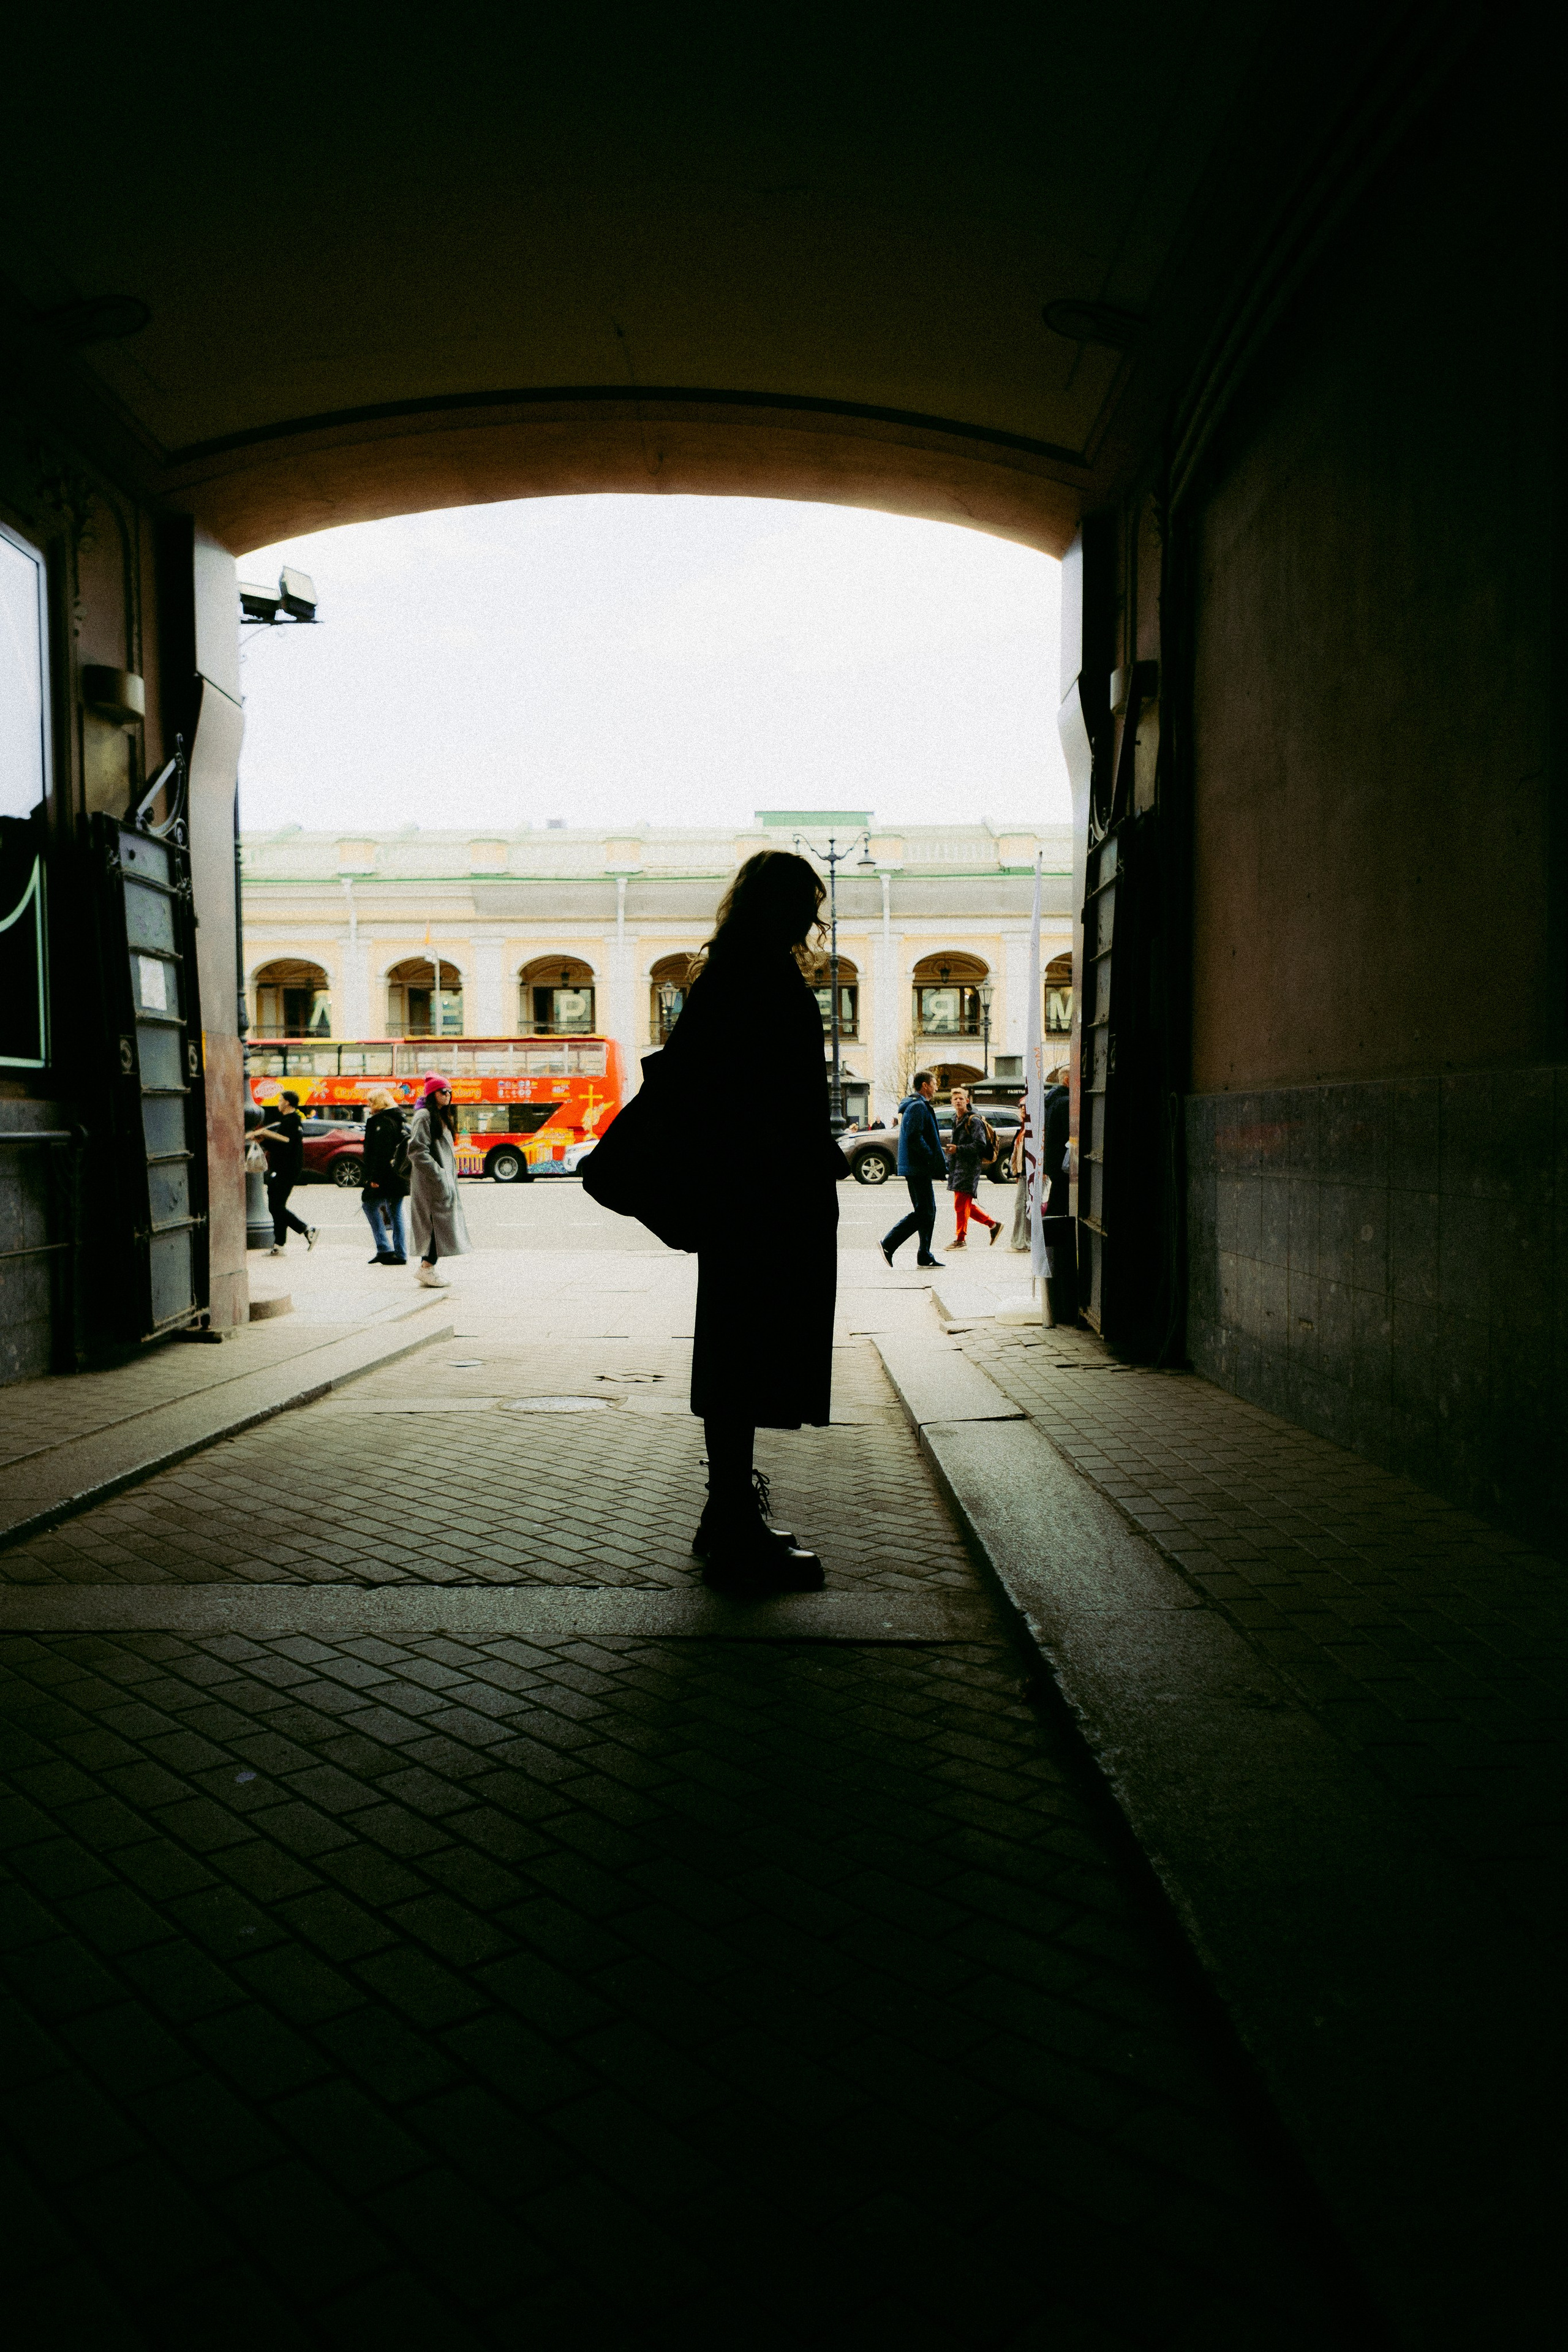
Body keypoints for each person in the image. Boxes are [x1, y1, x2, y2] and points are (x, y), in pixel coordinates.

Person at [653, 850, 846, 1593]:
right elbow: (756, 1095)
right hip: (762, 1196)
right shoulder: (756, 977)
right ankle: (733, 1526)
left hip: (748, 1194)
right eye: (803, 901)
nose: (810, 917)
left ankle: (726, 1511)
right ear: (774, 905)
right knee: (746, 1351)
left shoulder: (732, 972)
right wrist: (804, 1150)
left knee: (739, 1345)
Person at [406, 1074, 470, 1288]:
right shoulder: (424, 1116)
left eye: (450, 1091)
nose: (449, 1095)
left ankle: (428, 1267)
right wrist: (439, 1175)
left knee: (438, 1224)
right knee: (435, 1225)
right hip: (431, 1183)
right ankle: (426, 1268)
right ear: (433, 1094)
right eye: (444, 1091)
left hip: (441, 1182)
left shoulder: (440, 1116)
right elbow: (417, 1151)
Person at [880, 1070, 945, 1268]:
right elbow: (915, 1137)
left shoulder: (917, 1105)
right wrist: (931, 1157)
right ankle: (888, 1244)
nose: (936, 1087)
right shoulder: (918, 1107)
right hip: (918, 1168)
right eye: (934, 1083)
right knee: (924, 1211)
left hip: (918, 1168)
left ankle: (924, 1254)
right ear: (925, 1085)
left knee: (929, 1210)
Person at [252, 1090, 317, 1257]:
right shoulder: (290, 1121)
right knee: (277, 1206)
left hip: (285, 1169)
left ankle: (306, 1229)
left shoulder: (292, 1121)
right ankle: (279, 1244)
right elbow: (284, 1145)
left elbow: (286, 1146)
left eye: (280, 1100)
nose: (278, 1103)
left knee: (276, 1206)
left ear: (287, 1102)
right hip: (284, 1168)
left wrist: (265, 1139)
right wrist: (265, 1140)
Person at [943, 1085, 1001, 1249]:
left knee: (961, 1205)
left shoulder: (973, 1120)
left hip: (968, 1168)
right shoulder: (957, 1120)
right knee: (963, 1204)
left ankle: (961, 1239)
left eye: (961, 1098)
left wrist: (958, 1149)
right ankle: (992, 1224)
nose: (958, 1101)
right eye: (955, 1099)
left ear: (967, 1101)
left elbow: (980, 1145)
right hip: (958, 1167)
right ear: (952, 1102)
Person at [360, 1087, 409, 1265]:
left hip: (387, 1176)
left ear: (380, 1102)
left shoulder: (384, 1122)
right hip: (397, 1176)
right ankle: (393, 1251)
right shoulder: (397, 1118)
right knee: (394, 1210)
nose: (368, 1105)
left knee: (371, 1206)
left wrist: (374, 1178)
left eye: (371, 1102)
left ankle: (388, 1250)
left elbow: (381, 1153)